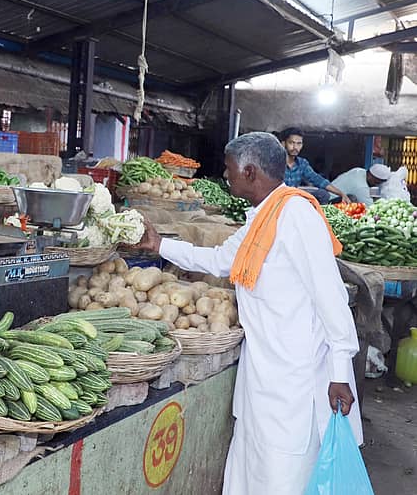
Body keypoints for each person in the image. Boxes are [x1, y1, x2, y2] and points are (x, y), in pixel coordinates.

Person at [134, 132, 362, 495]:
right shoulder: (262, 219)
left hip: (296, 380)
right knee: (252, 468)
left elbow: (332, 300)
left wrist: (339, 373)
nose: (227, 177)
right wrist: (160, 244)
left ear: (251, 172)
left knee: (284, 475)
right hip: (264, 374)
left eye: (229, 170)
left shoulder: (296, 216)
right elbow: (220, 260)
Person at [280, 127, 350, 204]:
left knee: (323, 195)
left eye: (299, 143)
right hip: (279, 197)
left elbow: (318, 180)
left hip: (295, 195)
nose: (295, 147)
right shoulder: (275, 163)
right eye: (291, 143)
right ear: (283, 144)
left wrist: (341, 193)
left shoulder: (302, 163)